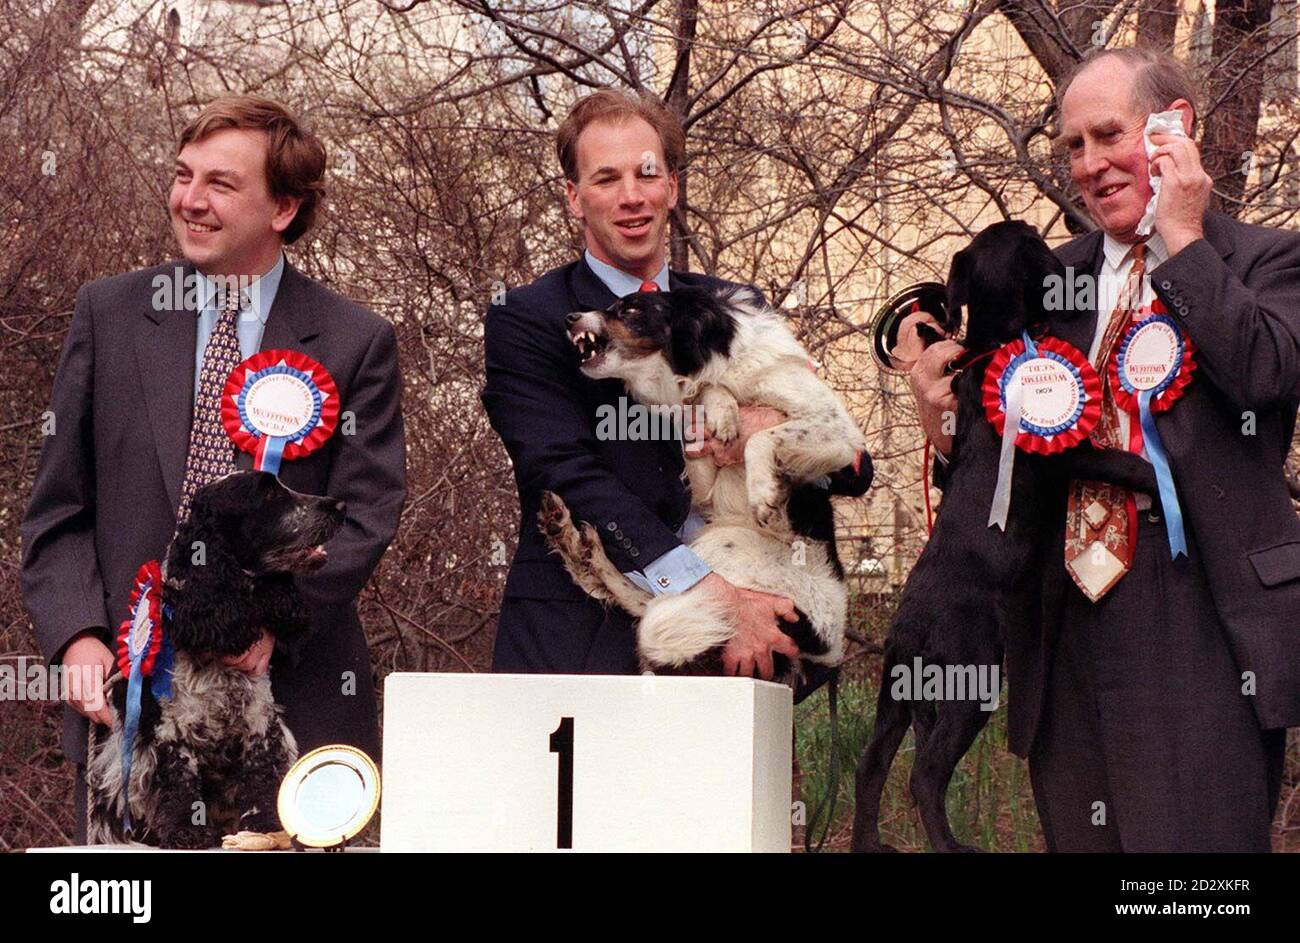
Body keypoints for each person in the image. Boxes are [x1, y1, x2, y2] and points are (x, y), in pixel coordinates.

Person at [900, 47, 1300, 852]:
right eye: (1072, 147)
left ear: (1172, 128)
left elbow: (1265, 374)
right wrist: (940, 420)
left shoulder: (1266, 258)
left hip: (1201, 620)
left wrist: (1183, 239)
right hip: (1060, 618)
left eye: (1106, 136)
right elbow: (1000, 451)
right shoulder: (1045, 279)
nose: (1088, 165)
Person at [20, 95, 406, 843]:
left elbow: (365, 513)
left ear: (284, 207)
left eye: (220, 185)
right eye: (182, 175)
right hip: (134, 713)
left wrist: (272, 625)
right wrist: (77, 635)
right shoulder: (108, 313)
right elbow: (57, 509)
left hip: (294, 713)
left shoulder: (357, 340)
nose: (189, 201)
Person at [481, 88, 870, 682]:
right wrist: (712, 596)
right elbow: (561, 471)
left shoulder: (732, 306)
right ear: (574, 198)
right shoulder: (529, 317)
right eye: (606, 179)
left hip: (757, 640)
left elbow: (847, 473)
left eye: (647, 173)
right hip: (586, 649)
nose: (632, 196)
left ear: (673, 187)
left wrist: (774, 433)